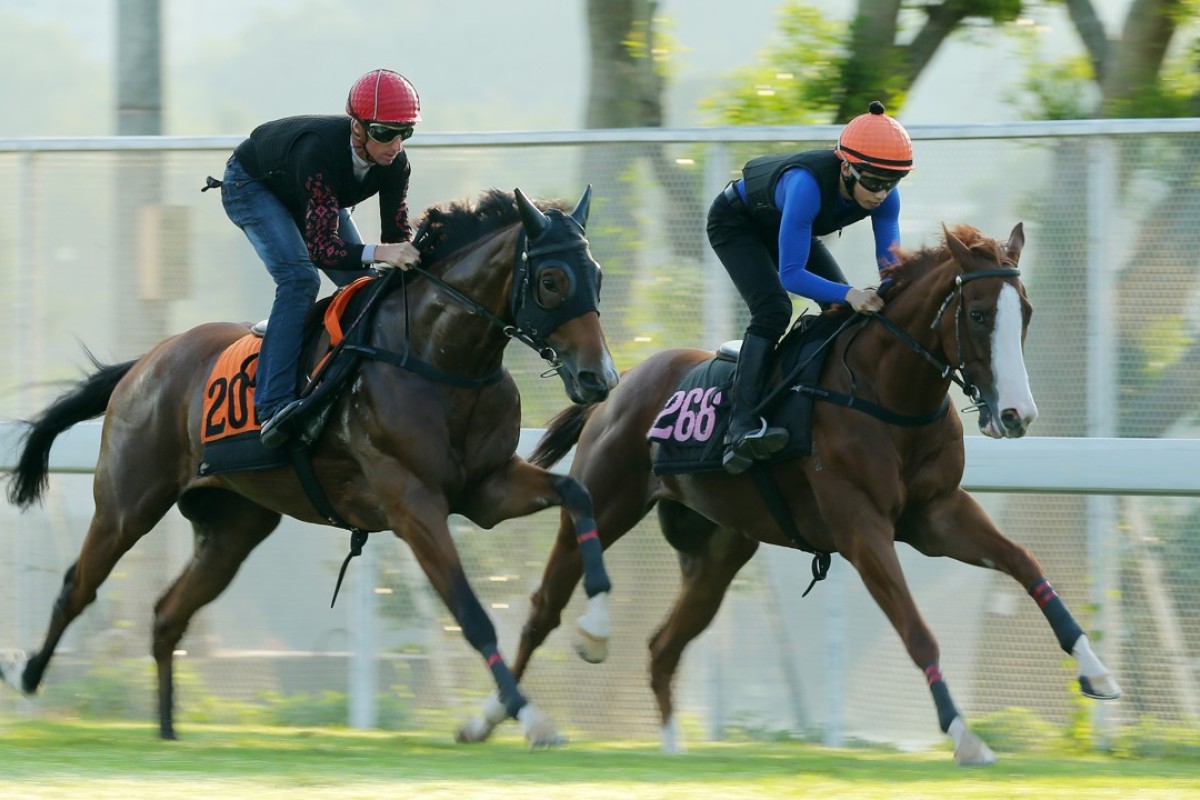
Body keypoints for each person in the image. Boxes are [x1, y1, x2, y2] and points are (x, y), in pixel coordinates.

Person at [215, 68, 423, 449]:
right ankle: (272, 404)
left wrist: (407, 252)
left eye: (404, 133)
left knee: (366, 286)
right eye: (384, 133)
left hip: (310, 194)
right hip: (253, 184)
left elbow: (396, 237)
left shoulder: (397, 164)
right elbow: (322, 250)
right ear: (357, 129)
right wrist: (380, 252)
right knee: (300, 280)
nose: (394, 145)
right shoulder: (319, 150)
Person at [706, 100, 913, 474]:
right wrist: (851, 292)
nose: (881, 193)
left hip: (788, 224)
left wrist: (894, 291)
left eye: (891, 183)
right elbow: (792, 275)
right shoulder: (805, 185)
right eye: (873, 181)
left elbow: (890, 267)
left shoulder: (885, 195)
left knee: (841, 313)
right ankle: (740, 426)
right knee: (774, 309)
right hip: (738, 224)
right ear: (846, 167)